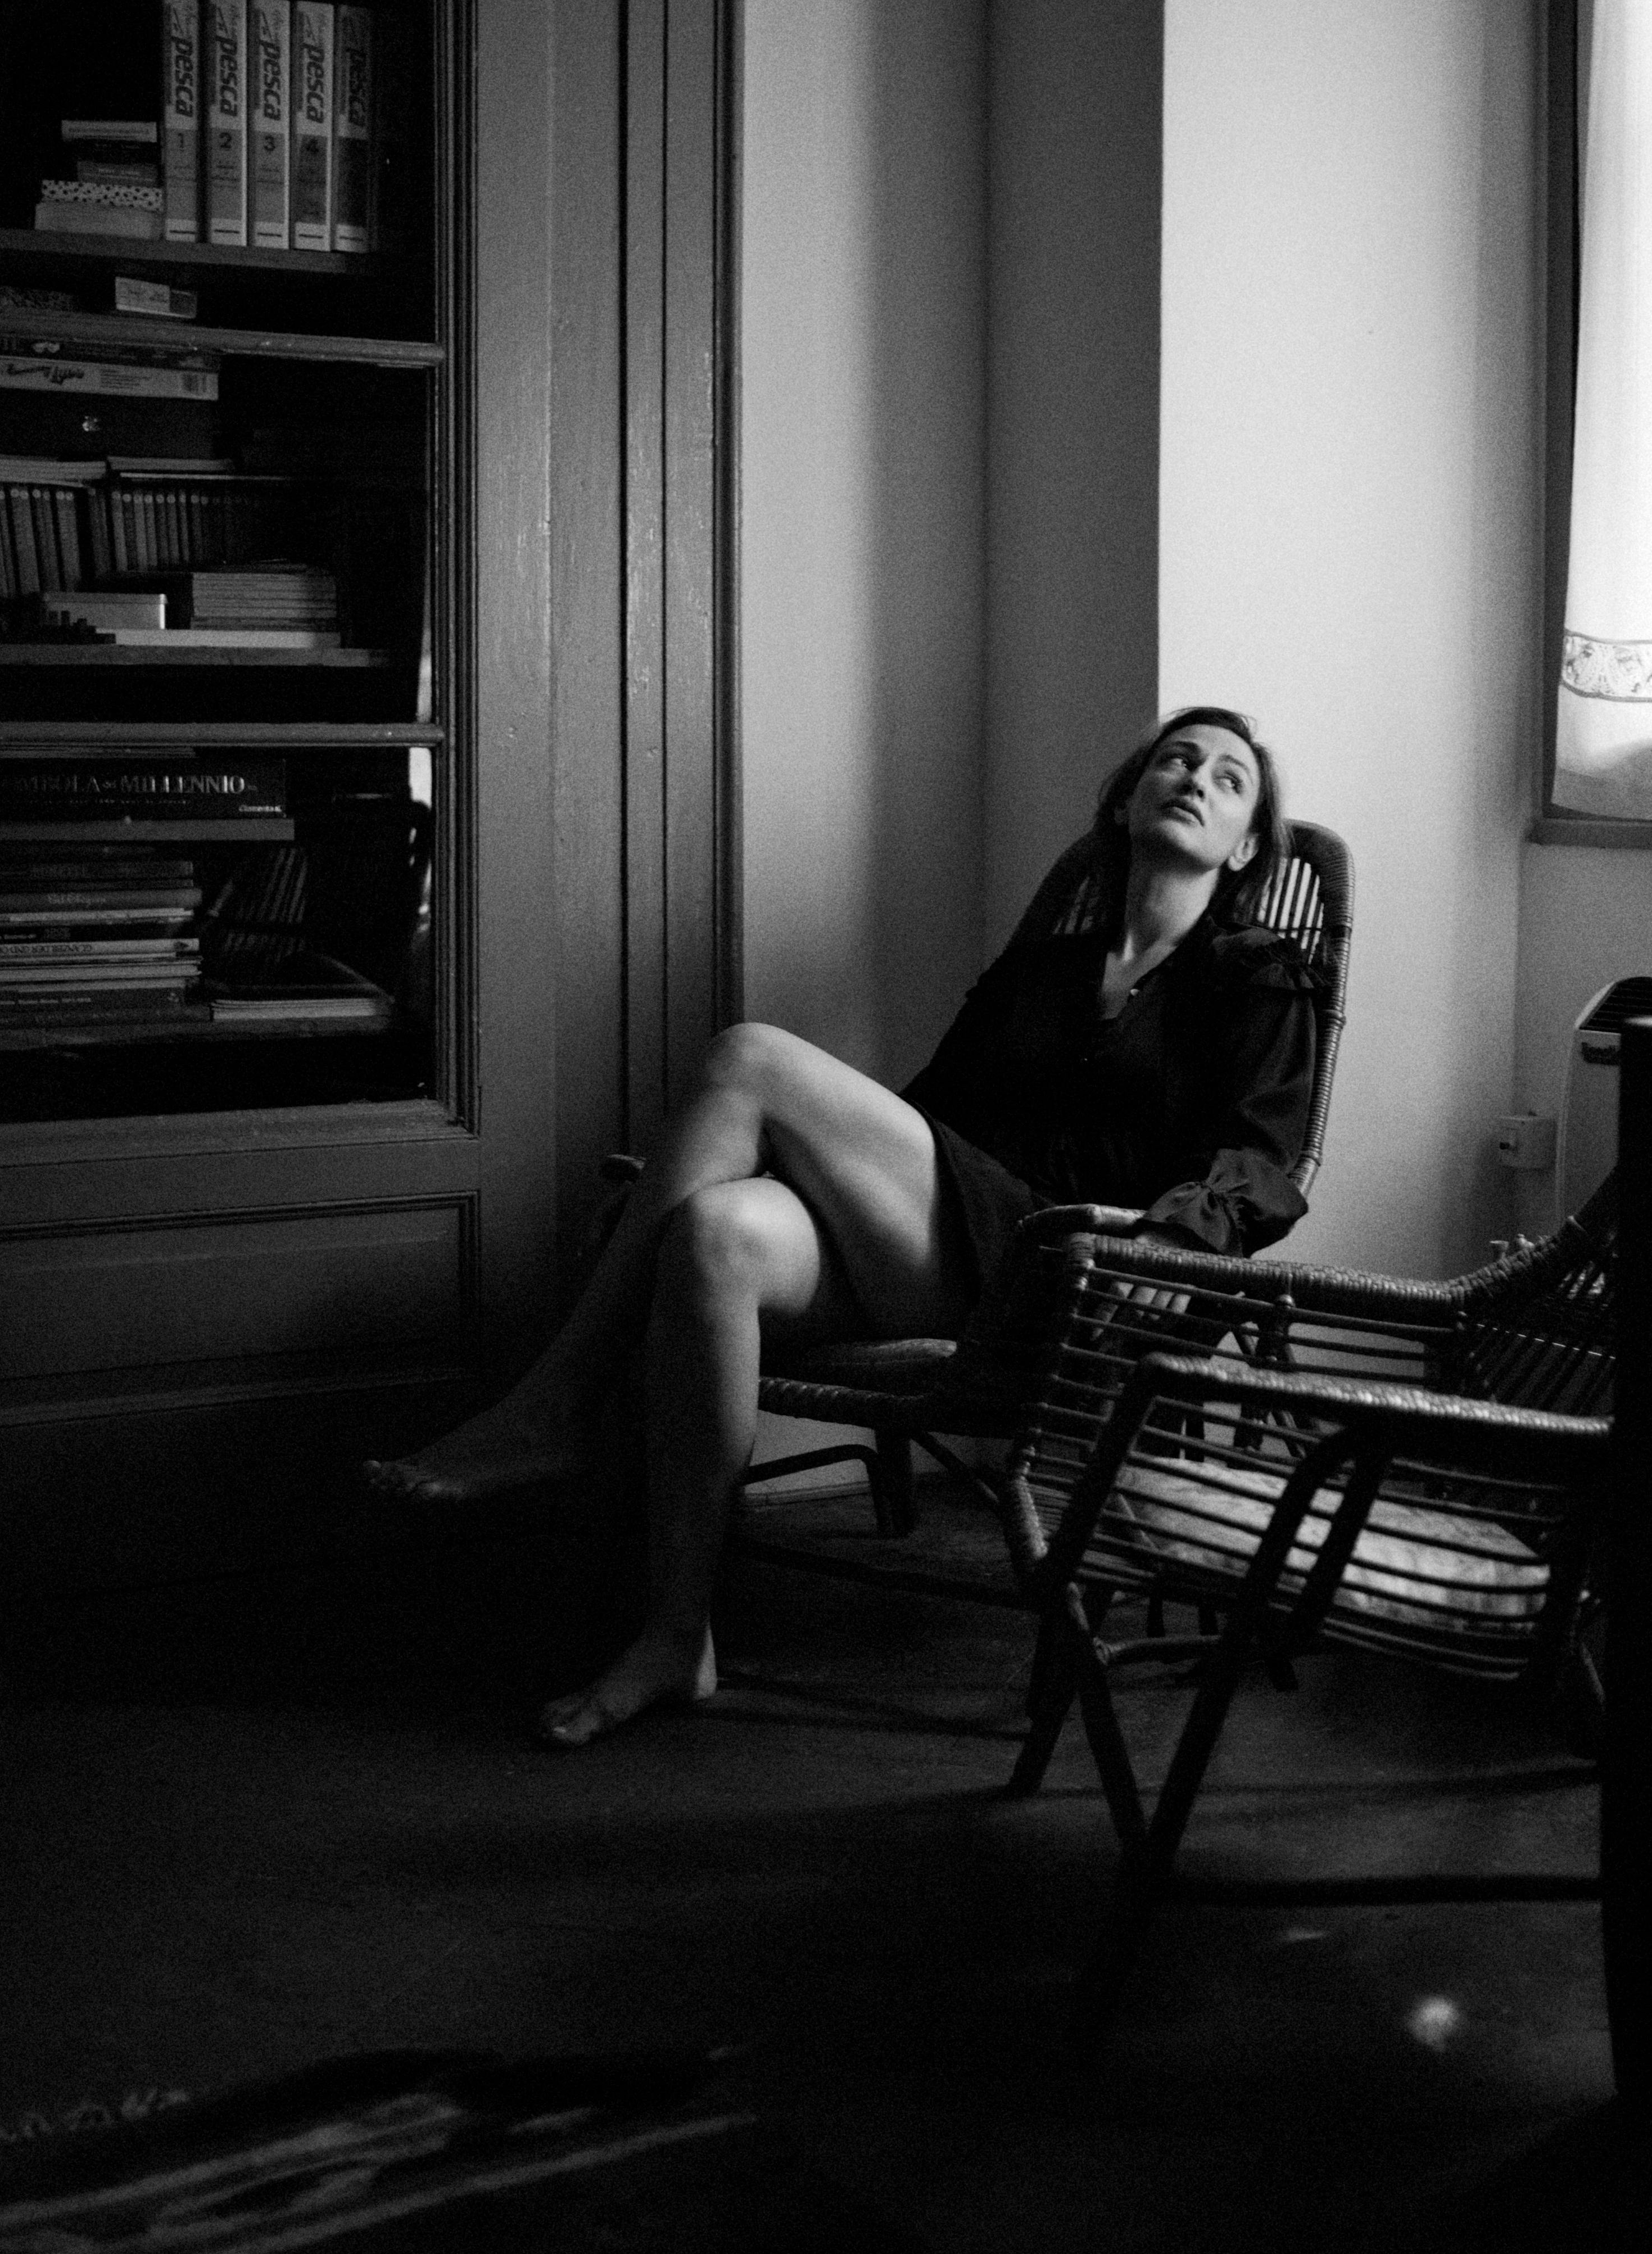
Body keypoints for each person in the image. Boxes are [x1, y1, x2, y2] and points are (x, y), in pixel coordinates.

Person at [365, 706, 1320, 1746]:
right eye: (1179, 758)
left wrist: (1171, 1247)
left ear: (1245, 849)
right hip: (954, 1244)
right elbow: (927, 1120)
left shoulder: (1257, 979)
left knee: (750, 1057)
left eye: (1231, 780)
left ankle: (557, 1400)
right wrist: (729, 1169)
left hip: (1075, 1273)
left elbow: (1263, 1163)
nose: (1197, 778)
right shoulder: (1045, 968)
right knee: (714, 1235)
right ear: (1129, 797)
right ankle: (677, 1634)